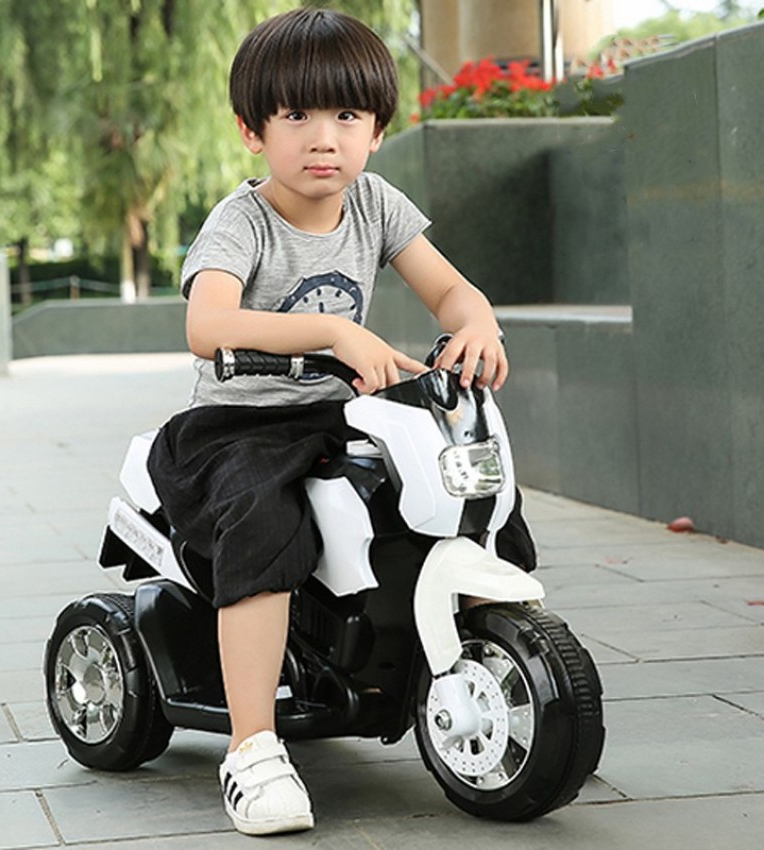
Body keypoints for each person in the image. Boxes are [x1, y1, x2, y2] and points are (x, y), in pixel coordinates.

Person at [147, 6, 509, 837]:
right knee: (266, 527)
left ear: (377, 129)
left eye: (346, 115)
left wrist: (476, 320)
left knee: (460, 496)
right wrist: (335, 330)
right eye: (296, 116)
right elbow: (207, 326)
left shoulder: (376, 204)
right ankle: (253, 748)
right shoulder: (242, 222)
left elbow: (450, 291)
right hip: (238, 429)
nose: (324, 138)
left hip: (345, 417)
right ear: (251, 131)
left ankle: (500, 666)